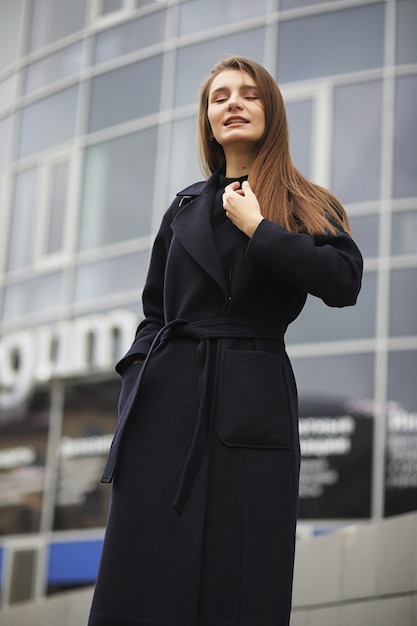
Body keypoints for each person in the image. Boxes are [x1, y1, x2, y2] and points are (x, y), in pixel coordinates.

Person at [87, 56, 363, 626]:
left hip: (251, 397)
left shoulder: (307, 202)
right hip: (166, 404)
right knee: (144, 570)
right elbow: (153, 313)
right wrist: (139, 380)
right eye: (219, 97)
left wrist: (258, 229)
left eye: (248, 94)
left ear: (271, 110)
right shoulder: (184, 207)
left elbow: (343, 282)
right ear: (208, 120)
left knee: (243, 572)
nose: (232, 103)